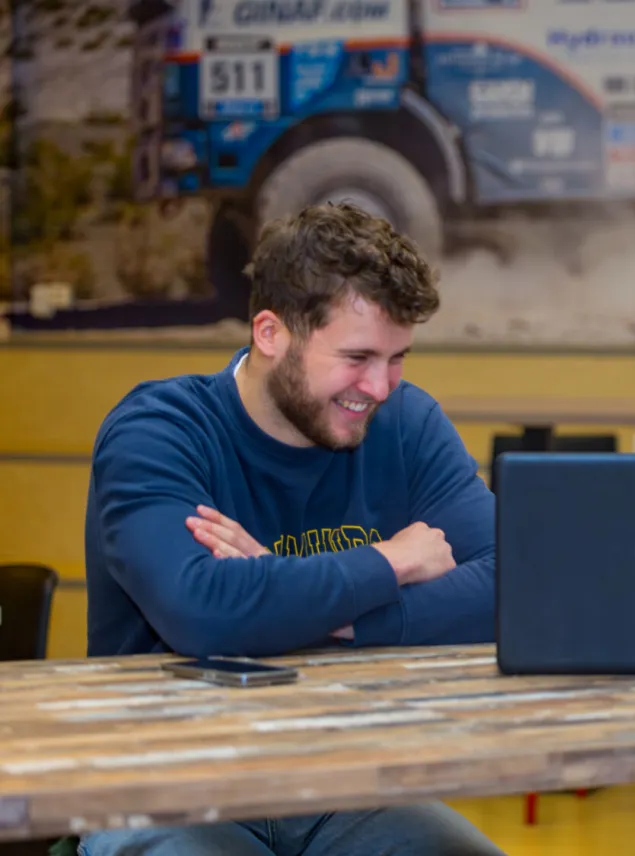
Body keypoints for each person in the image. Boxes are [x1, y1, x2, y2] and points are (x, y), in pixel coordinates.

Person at [80, 202, 504, 855]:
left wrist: (330, 615)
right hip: (163, 785)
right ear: (271, 332)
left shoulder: (408, 425)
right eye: (358, 356)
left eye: (397, 359)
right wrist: (388, 564)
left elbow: (521, 582)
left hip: (342, 781)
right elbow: (203, 613)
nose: (382, 386)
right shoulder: (158, 432)